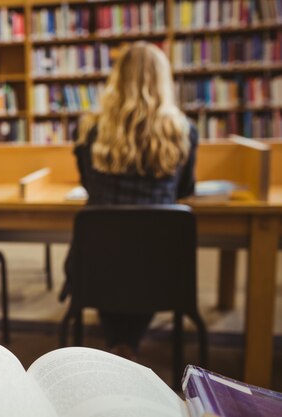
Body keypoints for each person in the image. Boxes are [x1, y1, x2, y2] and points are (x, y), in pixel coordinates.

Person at [61, 41, 199, 360]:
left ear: (116, 78)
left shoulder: (89, 129)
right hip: (161, 269)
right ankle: (129, 342)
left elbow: (87, 183)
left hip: (96, 266)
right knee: (144, 261)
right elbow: (185, 189)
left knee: (114, 258)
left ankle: (120, 342)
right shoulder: (184, 131)